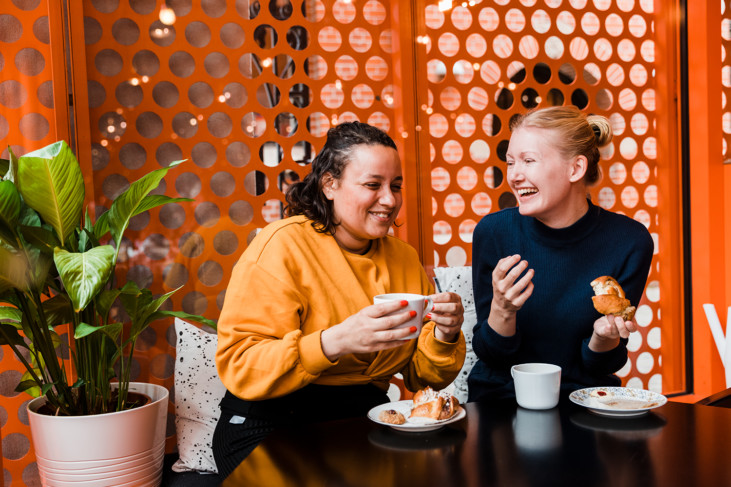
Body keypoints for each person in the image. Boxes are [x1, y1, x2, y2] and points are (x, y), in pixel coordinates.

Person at [213, 121, 466, 478]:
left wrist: (445, 335)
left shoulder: (404, 258)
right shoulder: (282, 246)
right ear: (330, 184)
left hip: (358, 419)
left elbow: (421, 374)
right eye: (372, 185)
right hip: (271, 420)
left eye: (395, 186)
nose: (390, 200)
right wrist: (336, 341)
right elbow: (241, 363)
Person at [467, 106, 654, 402]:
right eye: (510, 163)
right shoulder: (493, 233)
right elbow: (491, 356)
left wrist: (603, 337)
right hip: (502, 399)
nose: (514, 175)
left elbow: (604, 364)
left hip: (586, 400)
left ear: (576, 169)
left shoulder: (629, 241)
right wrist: (503, 309)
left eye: (529, 161)